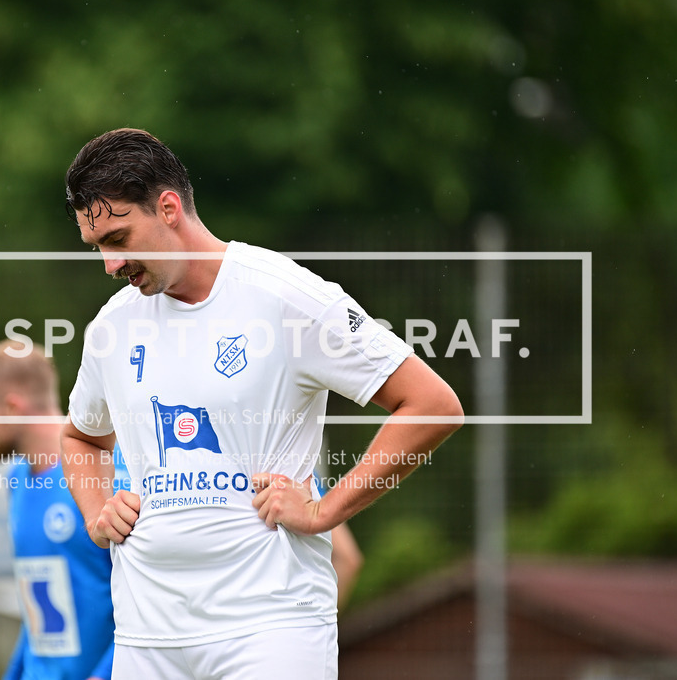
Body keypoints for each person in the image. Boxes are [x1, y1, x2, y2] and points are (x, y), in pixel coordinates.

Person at [59, 128, 463, 679]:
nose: (109, 265)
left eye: (119, 239)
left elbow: (432, 405)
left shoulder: (284, 295)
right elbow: (80, 436)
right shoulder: (112, 325)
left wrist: (327, 509)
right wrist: (95, 513)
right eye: (97, 246)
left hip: (270, 628)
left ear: (170, 208)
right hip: (145, 636)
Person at [0, 340, 125, 680]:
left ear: (11, 407)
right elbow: (38, 611)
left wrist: (104, 674)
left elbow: (144, 600)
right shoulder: (18, 480)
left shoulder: (107, 474)